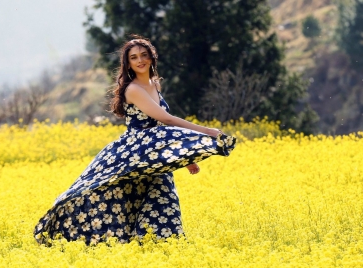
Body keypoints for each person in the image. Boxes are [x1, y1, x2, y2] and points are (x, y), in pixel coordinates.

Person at [34, 36, 236, 245]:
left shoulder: (154, 83)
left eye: (143, 55)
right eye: (134, 57)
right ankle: (72, 238)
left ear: (151, 57)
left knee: (162, 198)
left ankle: (162, 248)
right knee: (115, 199)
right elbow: (165, 118)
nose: (140, 60)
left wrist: (183, 157)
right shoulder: (133, 90)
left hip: (155, 151)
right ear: (127, 63)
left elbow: (164, 125)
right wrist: (207, 131)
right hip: (136, 152)